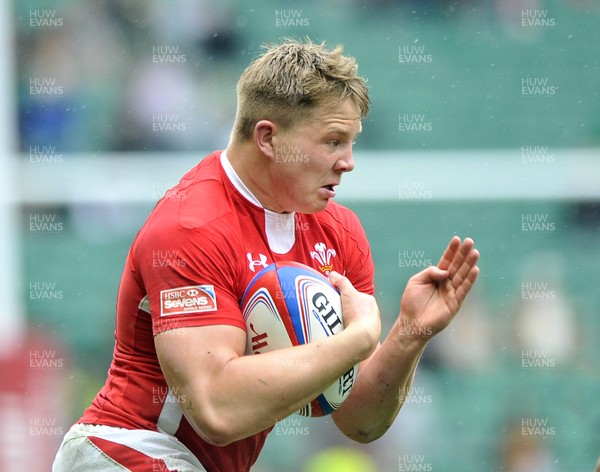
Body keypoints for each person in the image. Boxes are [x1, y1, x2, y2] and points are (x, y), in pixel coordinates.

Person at [53, 39, 480, 471]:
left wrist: (409, 333)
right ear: (268, 139)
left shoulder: (340, 234)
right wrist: (357, 338)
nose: (348, 162)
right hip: (128, 450)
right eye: (332, 141)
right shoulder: (192, 226)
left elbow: (360, 421)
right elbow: (215, 409)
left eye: (351, 143)